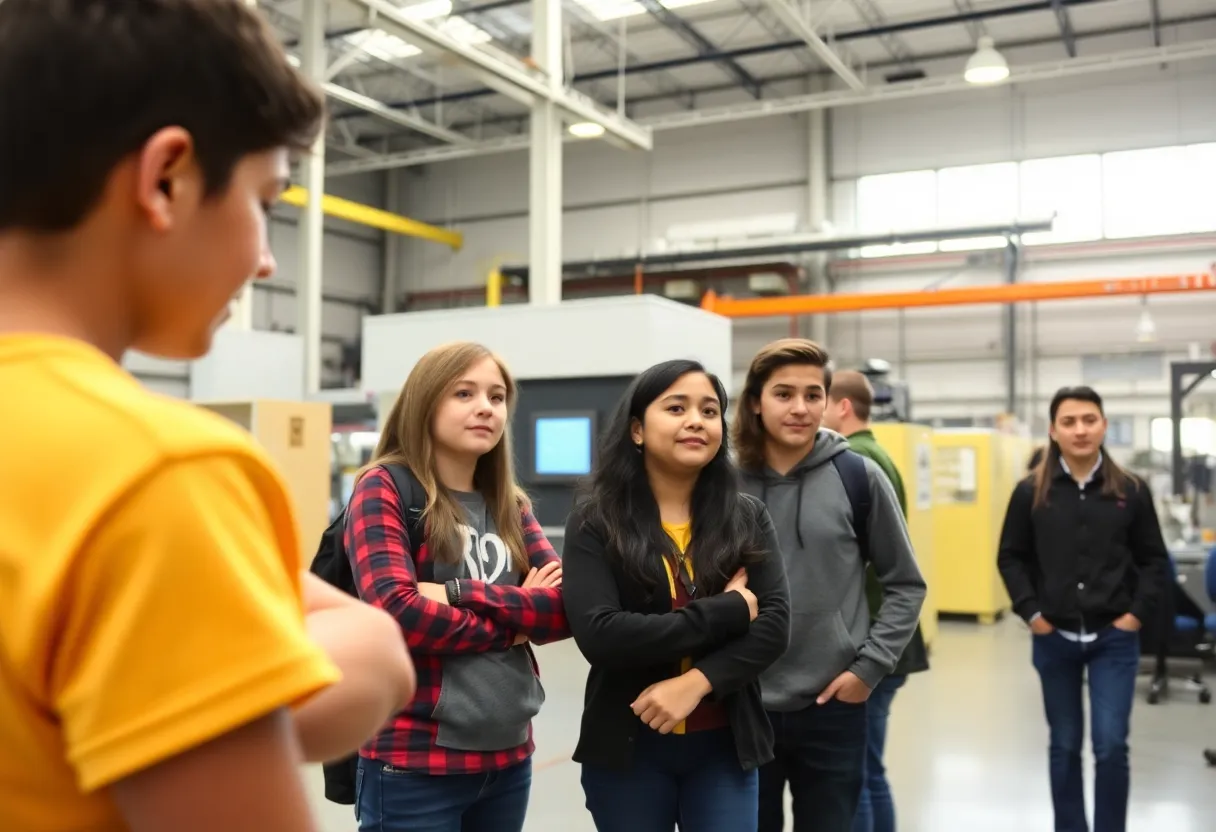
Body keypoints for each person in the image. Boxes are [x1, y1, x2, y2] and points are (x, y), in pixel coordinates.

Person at [0, 2, 418, 831]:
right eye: (267, 200)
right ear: (167, 180)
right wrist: (367, 653)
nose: (265, 258)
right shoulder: (155, 476)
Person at [345, 341, 572, 832]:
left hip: (509, 756)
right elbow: (397, 613)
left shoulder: (511, 506)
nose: (485, 408)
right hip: (413, 763)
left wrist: (458, 594)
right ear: (425, 402)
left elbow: (561, 611)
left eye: (496, 396)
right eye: (463, 393)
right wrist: (512, 626)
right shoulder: (385, 488)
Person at [562, 359, 792, 832]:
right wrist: (727, 611)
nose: (696, 421)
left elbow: (773, 627)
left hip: (725, 746)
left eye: (710, 411)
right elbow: (601, 635)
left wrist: (696, 683)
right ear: (638, 430)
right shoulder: (596, 521)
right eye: (676, 407)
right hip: (628, 748)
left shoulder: (746, 517)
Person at [733, 339, 926, 832]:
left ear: (827, 401)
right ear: (756, 401)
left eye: (812, 394)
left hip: (833, 704)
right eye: (783, 394)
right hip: (742, 702)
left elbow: (905, 582)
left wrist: (869, 668)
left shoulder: (858, 476)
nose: (800, 408)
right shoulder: (724, 486)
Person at [997, 385, 1170, 832]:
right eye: (1069, 422)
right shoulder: (1028, 493)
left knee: (1112, 746)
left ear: (1104, 426)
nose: (1080, 430)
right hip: (1053, 638)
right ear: (1054, 431)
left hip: (1114, 638)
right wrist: (1032, 614)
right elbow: (1010, 557)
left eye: (1089, 420)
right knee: (1065, 745)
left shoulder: (1131, 490)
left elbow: (1154, 560)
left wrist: (1134, 616)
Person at [822, 370, 930, 832]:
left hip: (872, 643)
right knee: (869, 772)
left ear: (843, 407)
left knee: (860, 777)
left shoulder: (857, 461)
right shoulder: (877, 454)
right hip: (883, 641)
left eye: (817, 398)